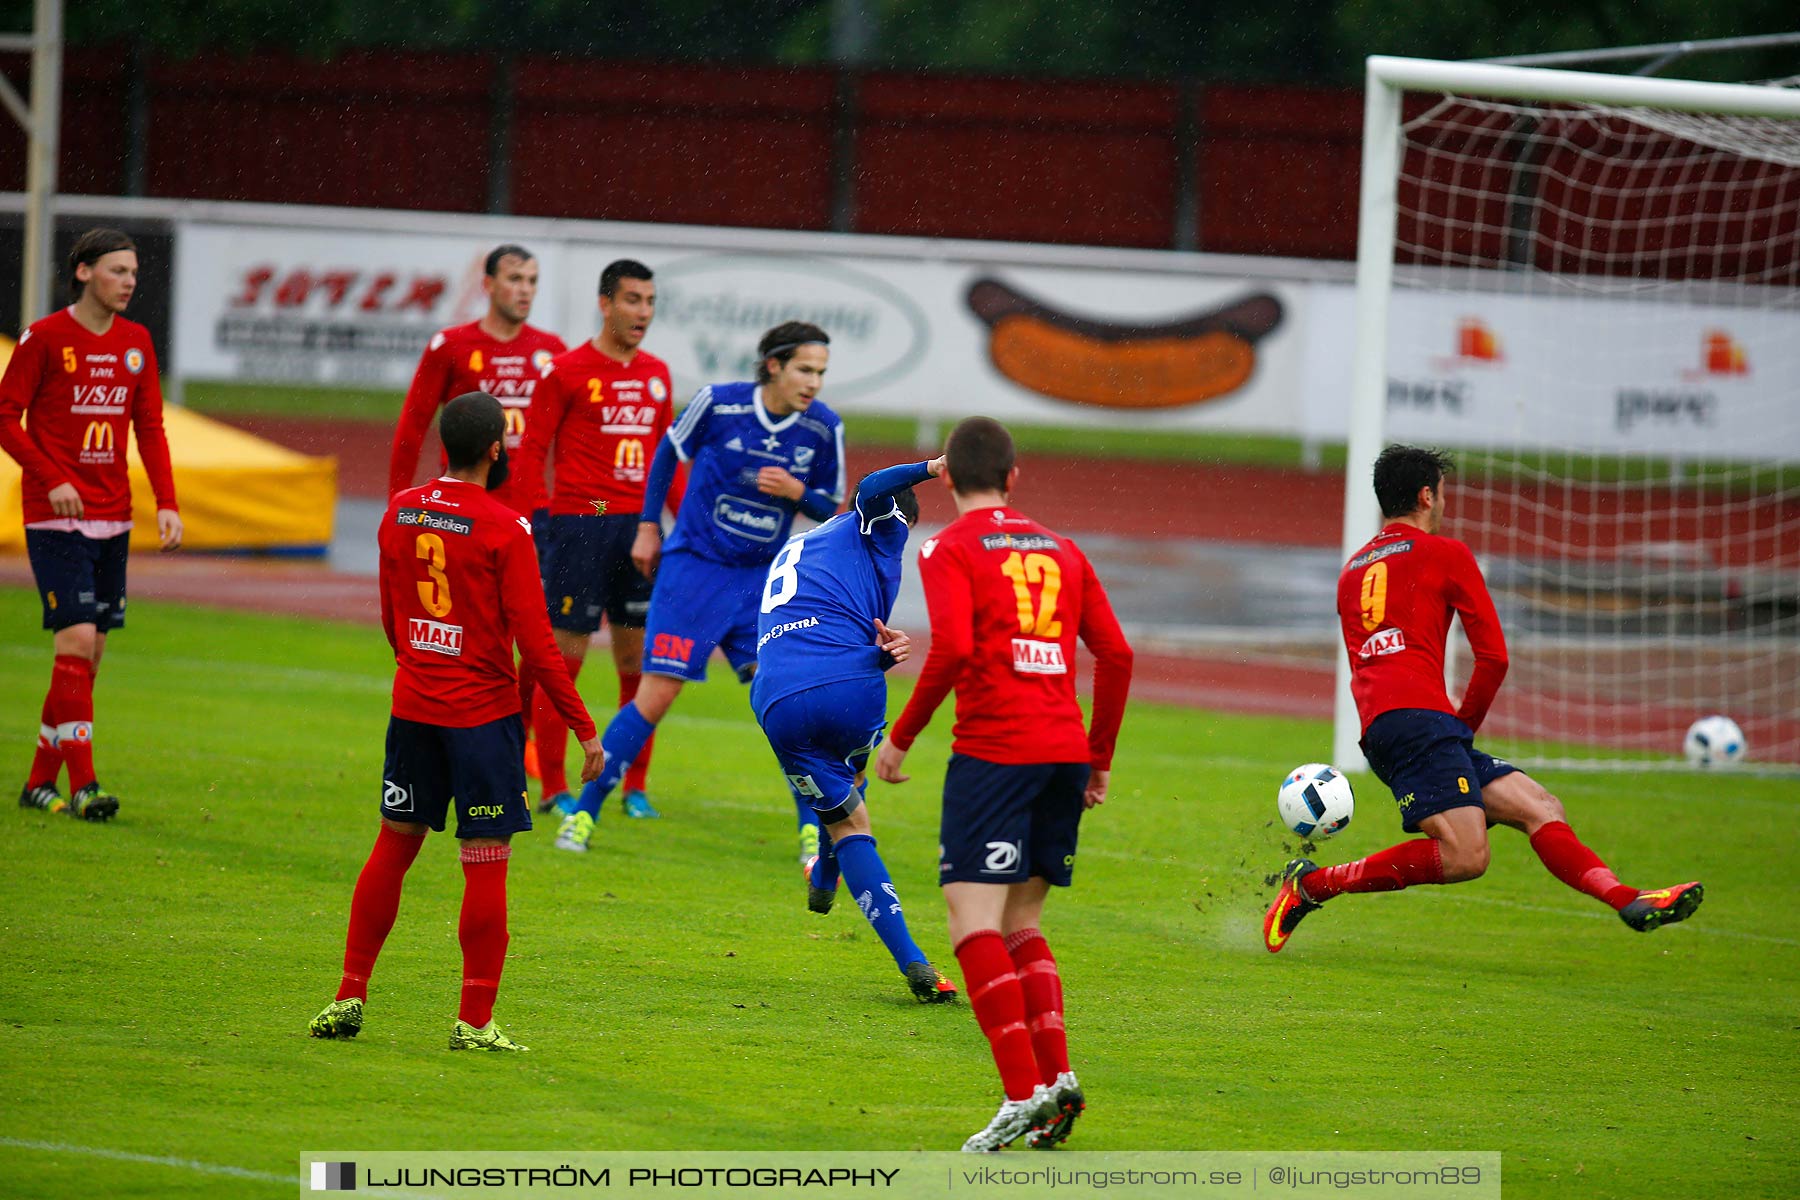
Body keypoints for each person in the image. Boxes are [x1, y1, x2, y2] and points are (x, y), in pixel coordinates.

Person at [1263, 445, 1704, 956]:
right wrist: (1461, 728)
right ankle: (1313, 886)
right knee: (1467, 855)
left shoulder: (1351, 572)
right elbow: (1493, 659)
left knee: (1539, 806)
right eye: (1443, 491)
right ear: (1428, 495)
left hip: (1389, 723)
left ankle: (1630, 899)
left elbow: (1368, 664)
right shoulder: (1447, 554)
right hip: (1427, 723)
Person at [311, 392, 602, 1052]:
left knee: (394, 845)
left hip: (413, 709)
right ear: (497, 450)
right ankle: (473, 1022)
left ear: (444, 445)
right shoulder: (507, 527)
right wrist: (583, 728)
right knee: (485, 865)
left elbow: (391, 614)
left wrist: (417, 662)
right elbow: (538, 642)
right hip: (482, 720)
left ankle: (349, 994)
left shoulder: (399, 510)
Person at [876, 416, 1134, 1153]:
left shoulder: (950, 546)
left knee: (972, 924)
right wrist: (1100, 758)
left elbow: (954, 646)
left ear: (948, 478)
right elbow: (1116, 655)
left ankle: (1020, 1093)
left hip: (995, 753)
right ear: (1014, 478)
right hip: (1061, 751)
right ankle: (1056, 1083)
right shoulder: (1063, 548)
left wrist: (901, 737)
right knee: (1025, 923)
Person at [555, 321, 845, 854]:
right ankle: (582, 816)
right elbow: (667, 453)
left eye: (822, 372)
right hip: (693, 572)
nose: (814, 383)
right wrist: (647, 526)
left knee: (784, 704)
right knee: (656, 695)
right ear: (774, 365)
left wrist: (798, 490)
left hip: (761, 586)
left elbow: (833, 509)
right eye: (805, 369)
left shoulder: (823, 428)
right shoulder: (719, 404)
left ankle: (812, 831)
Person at [751, 456, 958, 1003]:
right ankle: (914, 961)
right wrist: (932, 466)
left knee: (838, 798)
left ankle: (823, 878)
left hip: (774, 698)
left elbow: (816, 623)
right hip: (847, 688)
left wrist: (876, 655)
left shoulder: (805, 547)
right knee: (853, 809)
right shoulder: (882, 522)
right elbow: (871, 486)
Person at [1, 227, 182, 821]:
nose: (129, 282)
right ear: (83, 272)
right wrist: (51, 477)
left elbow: (149, 426)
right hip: (55, 518)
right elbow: (6, 416)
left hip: (114, 517)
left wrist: (167, 501)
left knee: (88, 658)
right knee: (76, 641)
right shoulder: (46, 338)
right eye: (117, 271)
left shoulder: (137, 343)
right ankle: (85, 786)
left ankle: (36, 783)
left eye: (133, 273)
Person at [387, 244, 566, 783]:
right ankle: (470, 732)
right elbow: (413, 425)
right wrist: (399, 505)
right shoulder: (453, 346)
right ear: (488, 284)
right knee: (472, 637)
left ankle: (522, 733)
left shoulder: (552, 352)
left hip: (531, 517)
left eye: (533, 280)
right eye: (515, 278)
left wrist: (585, 507)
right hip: (463, 521)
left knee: (538, 636)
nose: (525, 289)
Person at [513, 260, 673, 817]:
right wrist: (535, 521)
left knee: (640, 664)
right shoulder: (565, 371)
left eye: (650, 301)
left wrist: (684, 526)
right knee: (564, 661)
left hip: (640, 530)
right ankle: (552, 786)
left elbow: (665, 461)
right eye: (633, 300)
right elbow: (531, 452)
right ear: (605, 304)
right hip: (582, 524)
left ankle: (634, 787)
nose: (643, 313)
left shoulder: (657, 374)